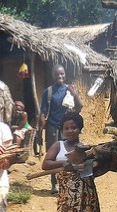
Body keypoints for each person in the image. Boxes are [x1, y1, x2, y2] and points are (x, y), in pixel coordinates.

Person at [36, 64, 83, 194]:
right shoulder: (48, 91)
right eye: (57, 74)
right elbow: (43, 112)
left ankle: (70, 180)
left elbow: (79, 107)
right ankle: (54, 184)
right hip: (52, 126)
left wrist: (75, 94)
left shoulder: (69, 89)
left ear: (65, 75)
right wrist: (40, 130)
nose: (59, 76)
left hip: (67, 128)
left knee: (71, 153)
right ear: (53, 75)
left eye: (62, 74)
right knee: (54, 155)